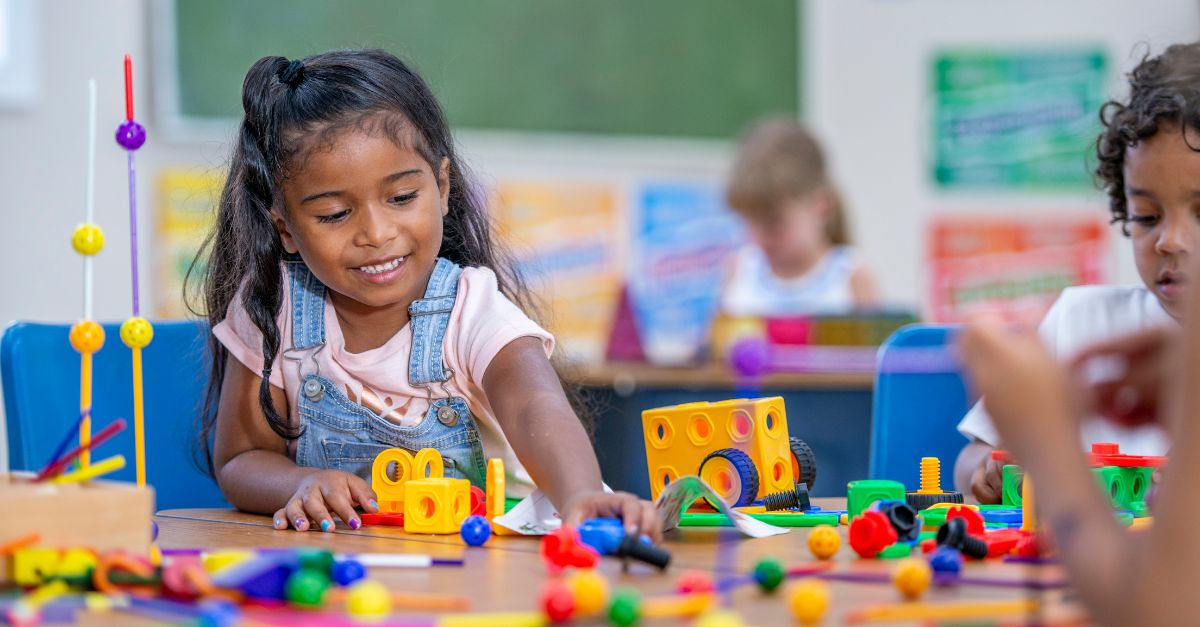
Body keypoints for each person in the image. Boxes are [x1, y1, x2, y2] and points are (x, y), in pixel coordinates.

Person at [190, 49, 659, 538]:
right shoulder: (272, 307)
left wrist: (582, 495)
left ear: (442, 185)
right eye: (333, 214)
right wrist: (300, 481)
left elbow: (533, 405)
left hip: (511, 551)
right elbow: (243, 457)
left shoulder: (471, 309)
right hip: (375, 573)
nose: (376, 232)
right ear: (285, 229)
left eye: (401, 198)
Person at [953, 43, 1200, 501]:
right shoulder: (1080, 322)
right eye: (1147, 216)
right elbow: (973, 457)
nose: (1170, 240)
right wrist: (985, 474)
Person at [721, 118, 879, 316]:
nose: (759, 238)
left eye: (773, 224)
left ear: (821, 205)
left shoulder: (853, 278)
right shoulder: (739, 271)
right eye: (751, 221)